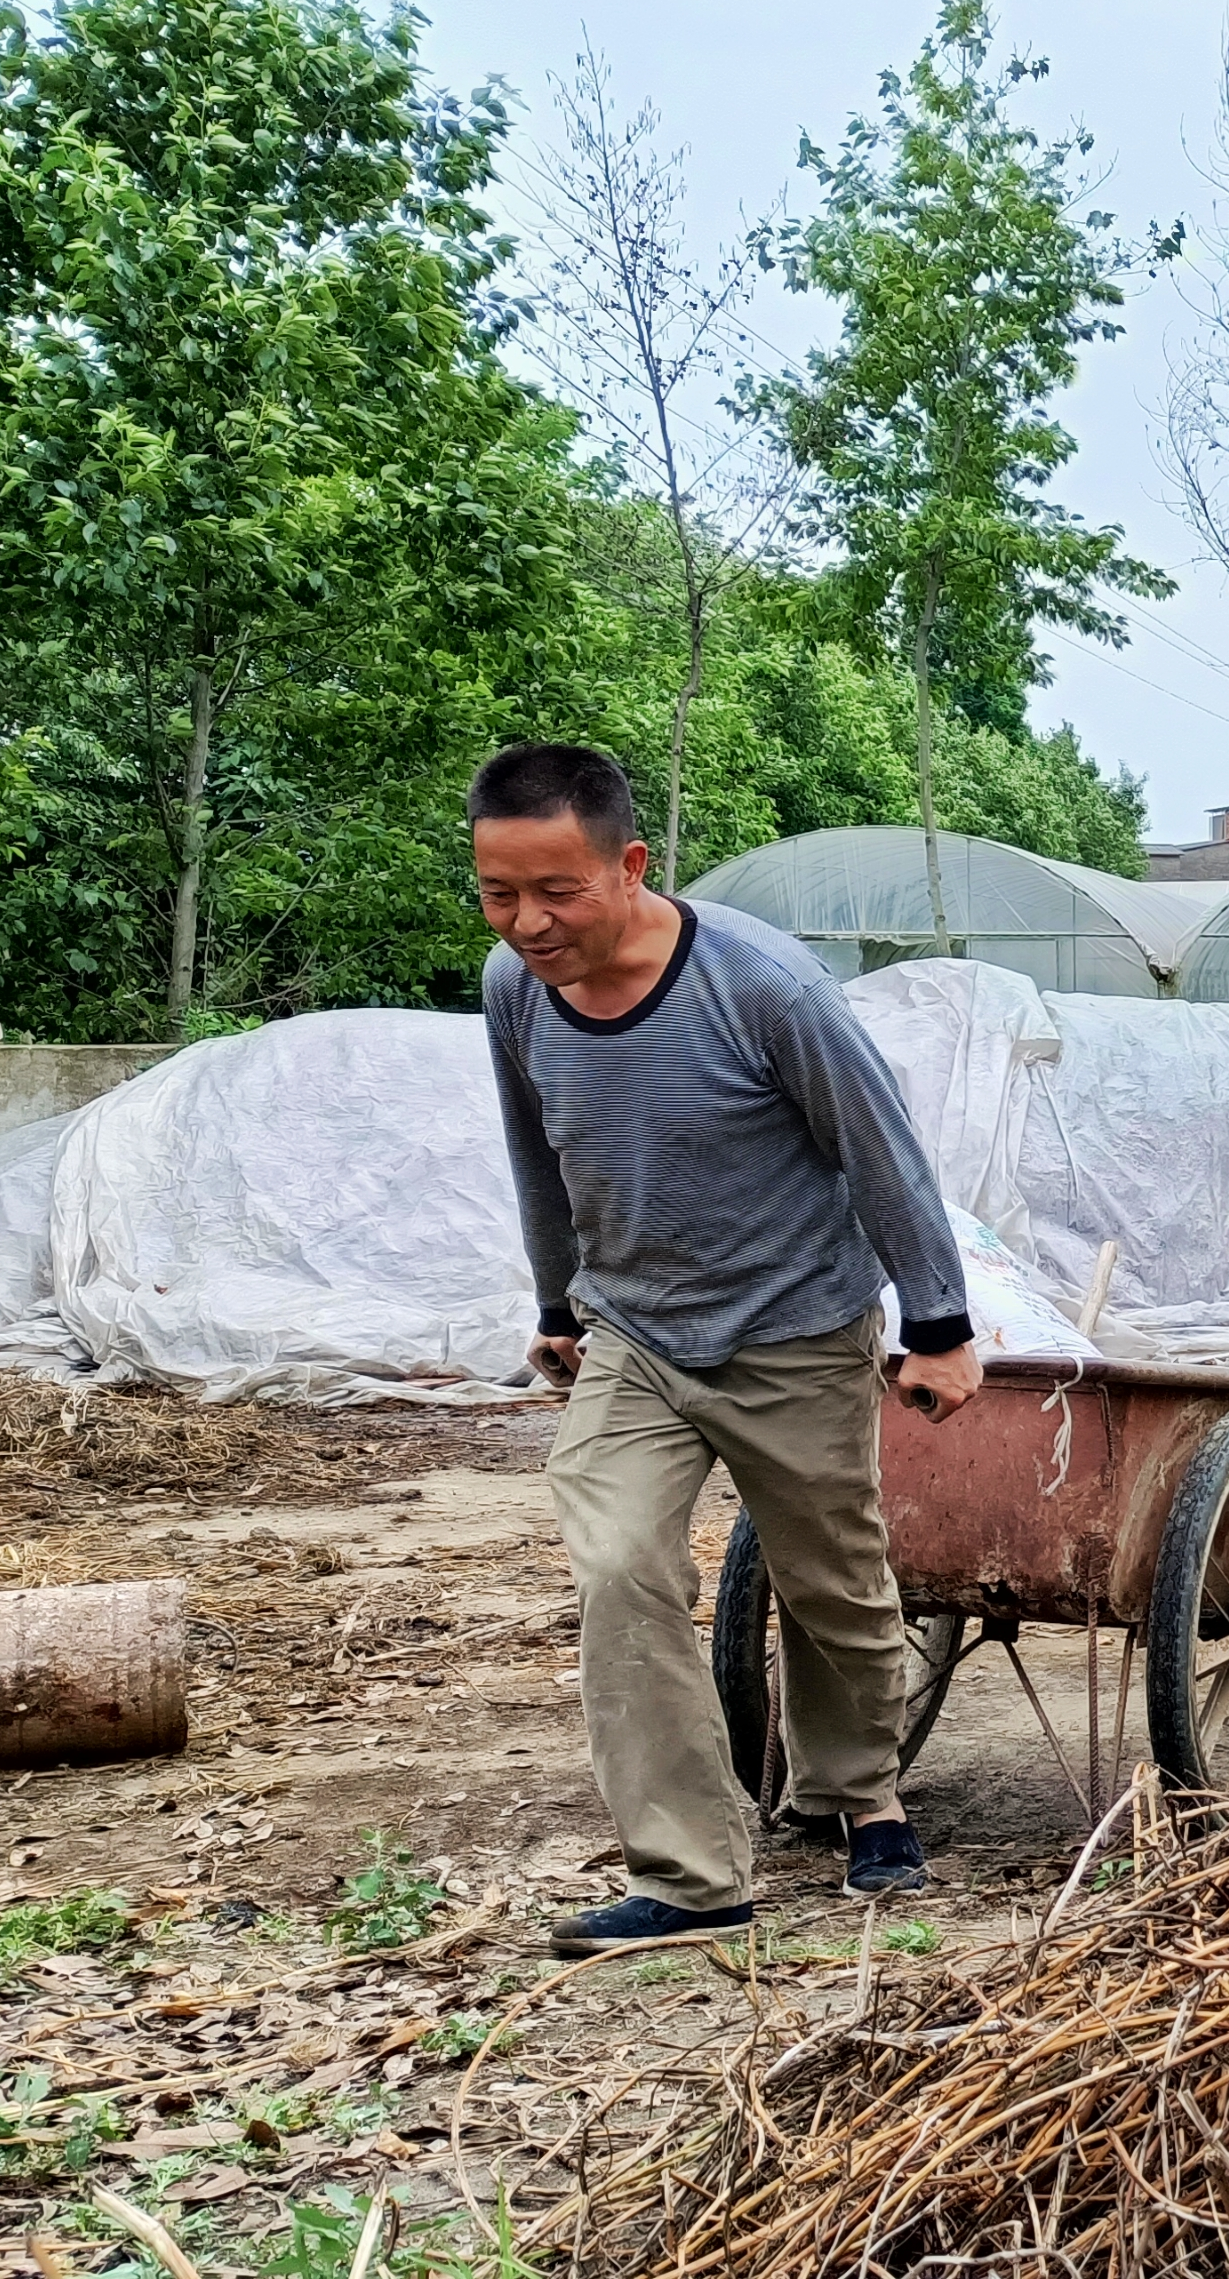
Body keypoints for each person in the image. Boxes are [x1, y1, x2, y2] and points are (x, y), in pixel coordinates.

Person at [468, 741, 983, 1953]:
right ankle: (694, 1872)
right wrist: (557, 1305)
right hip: (637, 1331)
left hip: (794, 1329)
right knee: (619, 1570)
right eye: (499, 892)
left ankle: (860, 1794)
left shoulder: (763, 986)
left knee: (830, 1581)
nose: (528, 922)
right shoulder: (511, 987)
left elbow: (882, 1152)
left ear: (631, 865)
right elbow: (538, 1153)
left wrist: (939, 1324)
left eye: (557, 891)